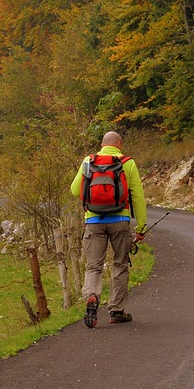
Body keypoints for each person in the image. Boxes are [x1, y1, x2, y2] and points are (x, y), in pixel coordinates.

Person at [70, 130, 147, 328]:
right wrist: (141, 227)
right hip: (120, 220)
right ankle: (116, 310)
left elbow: (74, 189)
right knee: (120, 263)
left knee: (94, 265)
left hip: (93, 221)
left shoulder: (89, 160)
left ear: (102, 144)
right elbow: (137, 195)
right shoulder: (127, 162)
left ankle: (92, 297)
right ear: (119, 144)